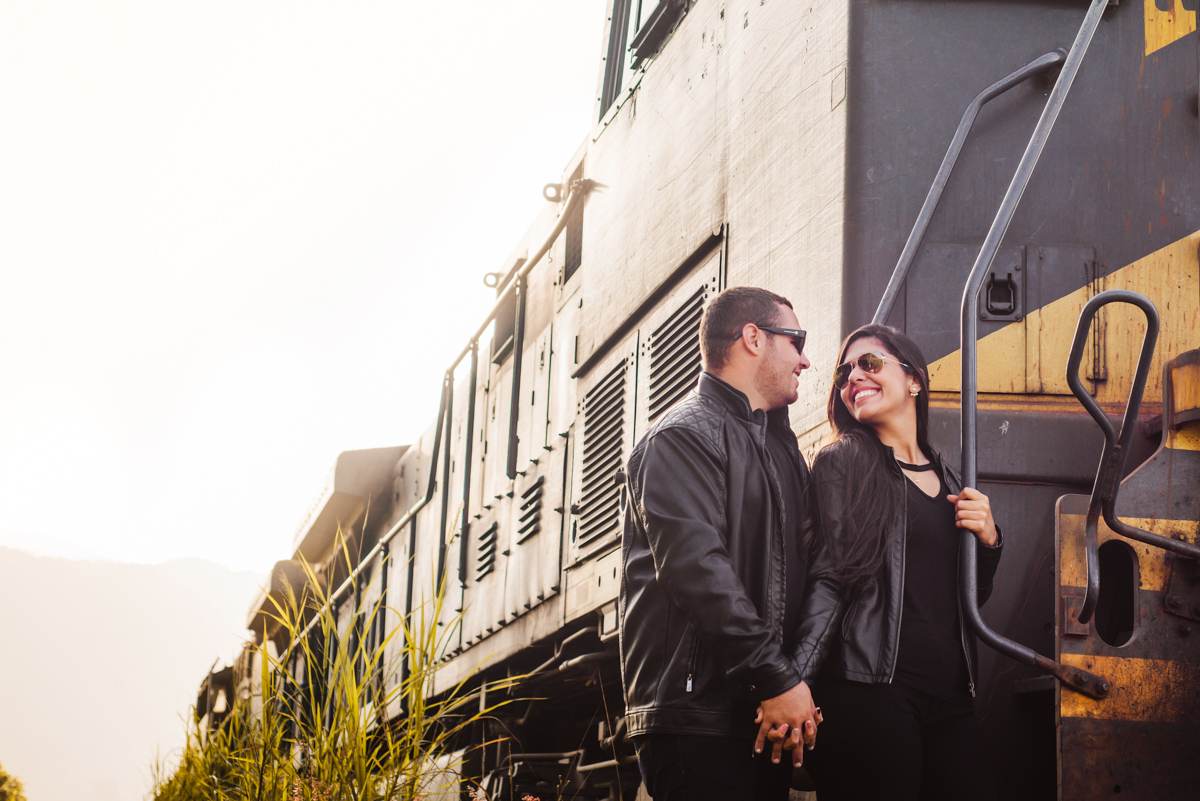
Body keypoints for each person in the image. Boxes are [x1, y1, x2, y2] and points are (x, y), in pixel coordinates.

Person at [619, 286, 820, 801]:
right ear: (753, 337)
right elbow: (698, 572)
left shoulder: (779, 448)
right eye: (796, 341)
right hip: (700, 721)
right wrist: (777, 679)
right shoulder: (681, 436)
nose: (805, 360)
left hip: (761, 715)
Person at [790, 324, 1002, 801]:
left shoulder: (951, 478)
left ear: (914, 380)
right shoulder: (842, 462)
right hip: (871, 692)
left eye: (869, 363)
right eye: (844, 373)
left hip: (950, 698)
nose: (852, 378)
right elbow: (831, 580)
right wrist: (794, 682)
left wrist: (989, 541)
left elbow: (963, 599)